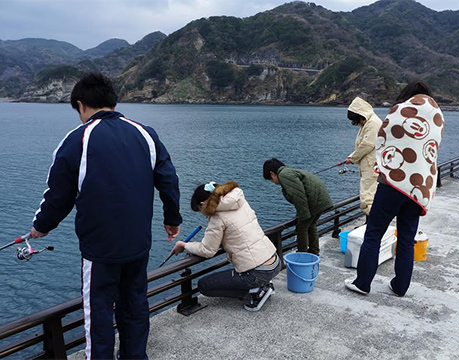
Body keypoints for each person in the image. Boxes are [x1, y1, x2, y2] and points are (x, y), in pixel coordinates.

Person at [29, 73, 182, 359]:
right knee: (135, 304)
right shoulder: (145, 133)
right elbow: (168, 180)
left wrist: (41, 227)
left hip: (99, 250)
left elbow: (58, 194)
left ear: (81, 105)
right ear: (112, 101)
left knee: (98, 313)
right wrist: (172, 219)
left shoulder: (78, 139)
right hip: (139, 243)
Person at [345, 81, 444, 297]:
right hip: (418, 189)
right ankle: (400, 287)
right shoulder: (437, 118)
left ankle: (363, 283)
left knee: (374, 234)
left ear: (408, 96)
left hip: (394, 183)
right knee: (407, 239)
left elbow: (383, 138)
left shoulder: (400, 111)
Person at [170, 181, 281, 312]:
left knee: (204, 285)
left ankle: (255, 292)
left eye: (200, 210)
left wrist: (184, 245)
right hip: (274, 262)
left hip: (257, 272)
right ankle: (261, 286)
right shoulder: (239, 201)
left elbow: (207, 250)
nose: (203, 214)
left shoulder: (217, 217)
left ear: (203, 204)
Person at [263, 158, 333, 255]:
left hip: (315, 202)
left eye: (271, 180)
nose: (273, 182)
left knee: (301, 228)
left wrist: (303, 215)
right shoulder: (289, 172)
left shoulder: (284, 175)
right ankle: (314, 252)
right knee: (311, 225)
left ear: (272, 174)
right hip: (321, 200)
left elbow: (299, 196)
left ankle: (302, 254)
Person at [345, 97, 383, 219]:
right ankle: (372, 224)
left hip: (371, 165)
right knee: (371, 194)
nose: (356, 122)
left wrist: (353, 158)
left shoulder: (373, 123)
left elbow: (367, 145)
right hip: (369, 164)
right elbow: (364, 144)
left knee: (368, 197)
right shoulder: (368, 122)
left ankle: (372, 225)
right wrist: (352, 157)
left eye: (355, 119)